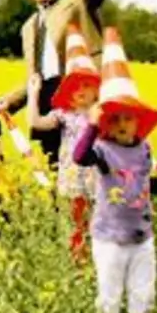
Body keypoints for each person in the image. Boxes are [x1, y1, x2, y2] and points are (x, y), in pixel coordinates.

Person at [71, 28, 157, 313]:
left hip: (142, 237)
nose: (122, 123)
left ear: (139, 120)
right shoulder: (102, 149)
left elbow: (145, 186)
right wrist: (93, 124)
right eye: (115, 118)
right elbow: (79, 156)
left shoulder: (143, 149)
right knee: (109, 296)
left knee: (144, 293)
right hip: (109, 239)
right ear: (106, 123)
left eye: (128, 117)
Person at [0, 0, 140, 166]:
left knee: (95, 161)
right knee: (56, 166)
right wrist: (9, 102)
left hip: (83, 93)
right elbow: (34, 78)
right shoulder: (28, 27)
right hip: (48, 100)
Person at [27, 23, 102, 264]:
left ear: (96, 90)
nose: (81, 90)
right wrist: (34, 93)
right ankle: (79, 266)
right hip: (73, 178)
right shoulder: (63, 114)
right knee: (77, 224)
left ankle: (99, 266)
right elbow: (36, 122)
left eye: (86, 85)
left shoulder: (103, 114)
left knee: (100, 226)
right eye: (75, 85)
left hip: (100, 180)